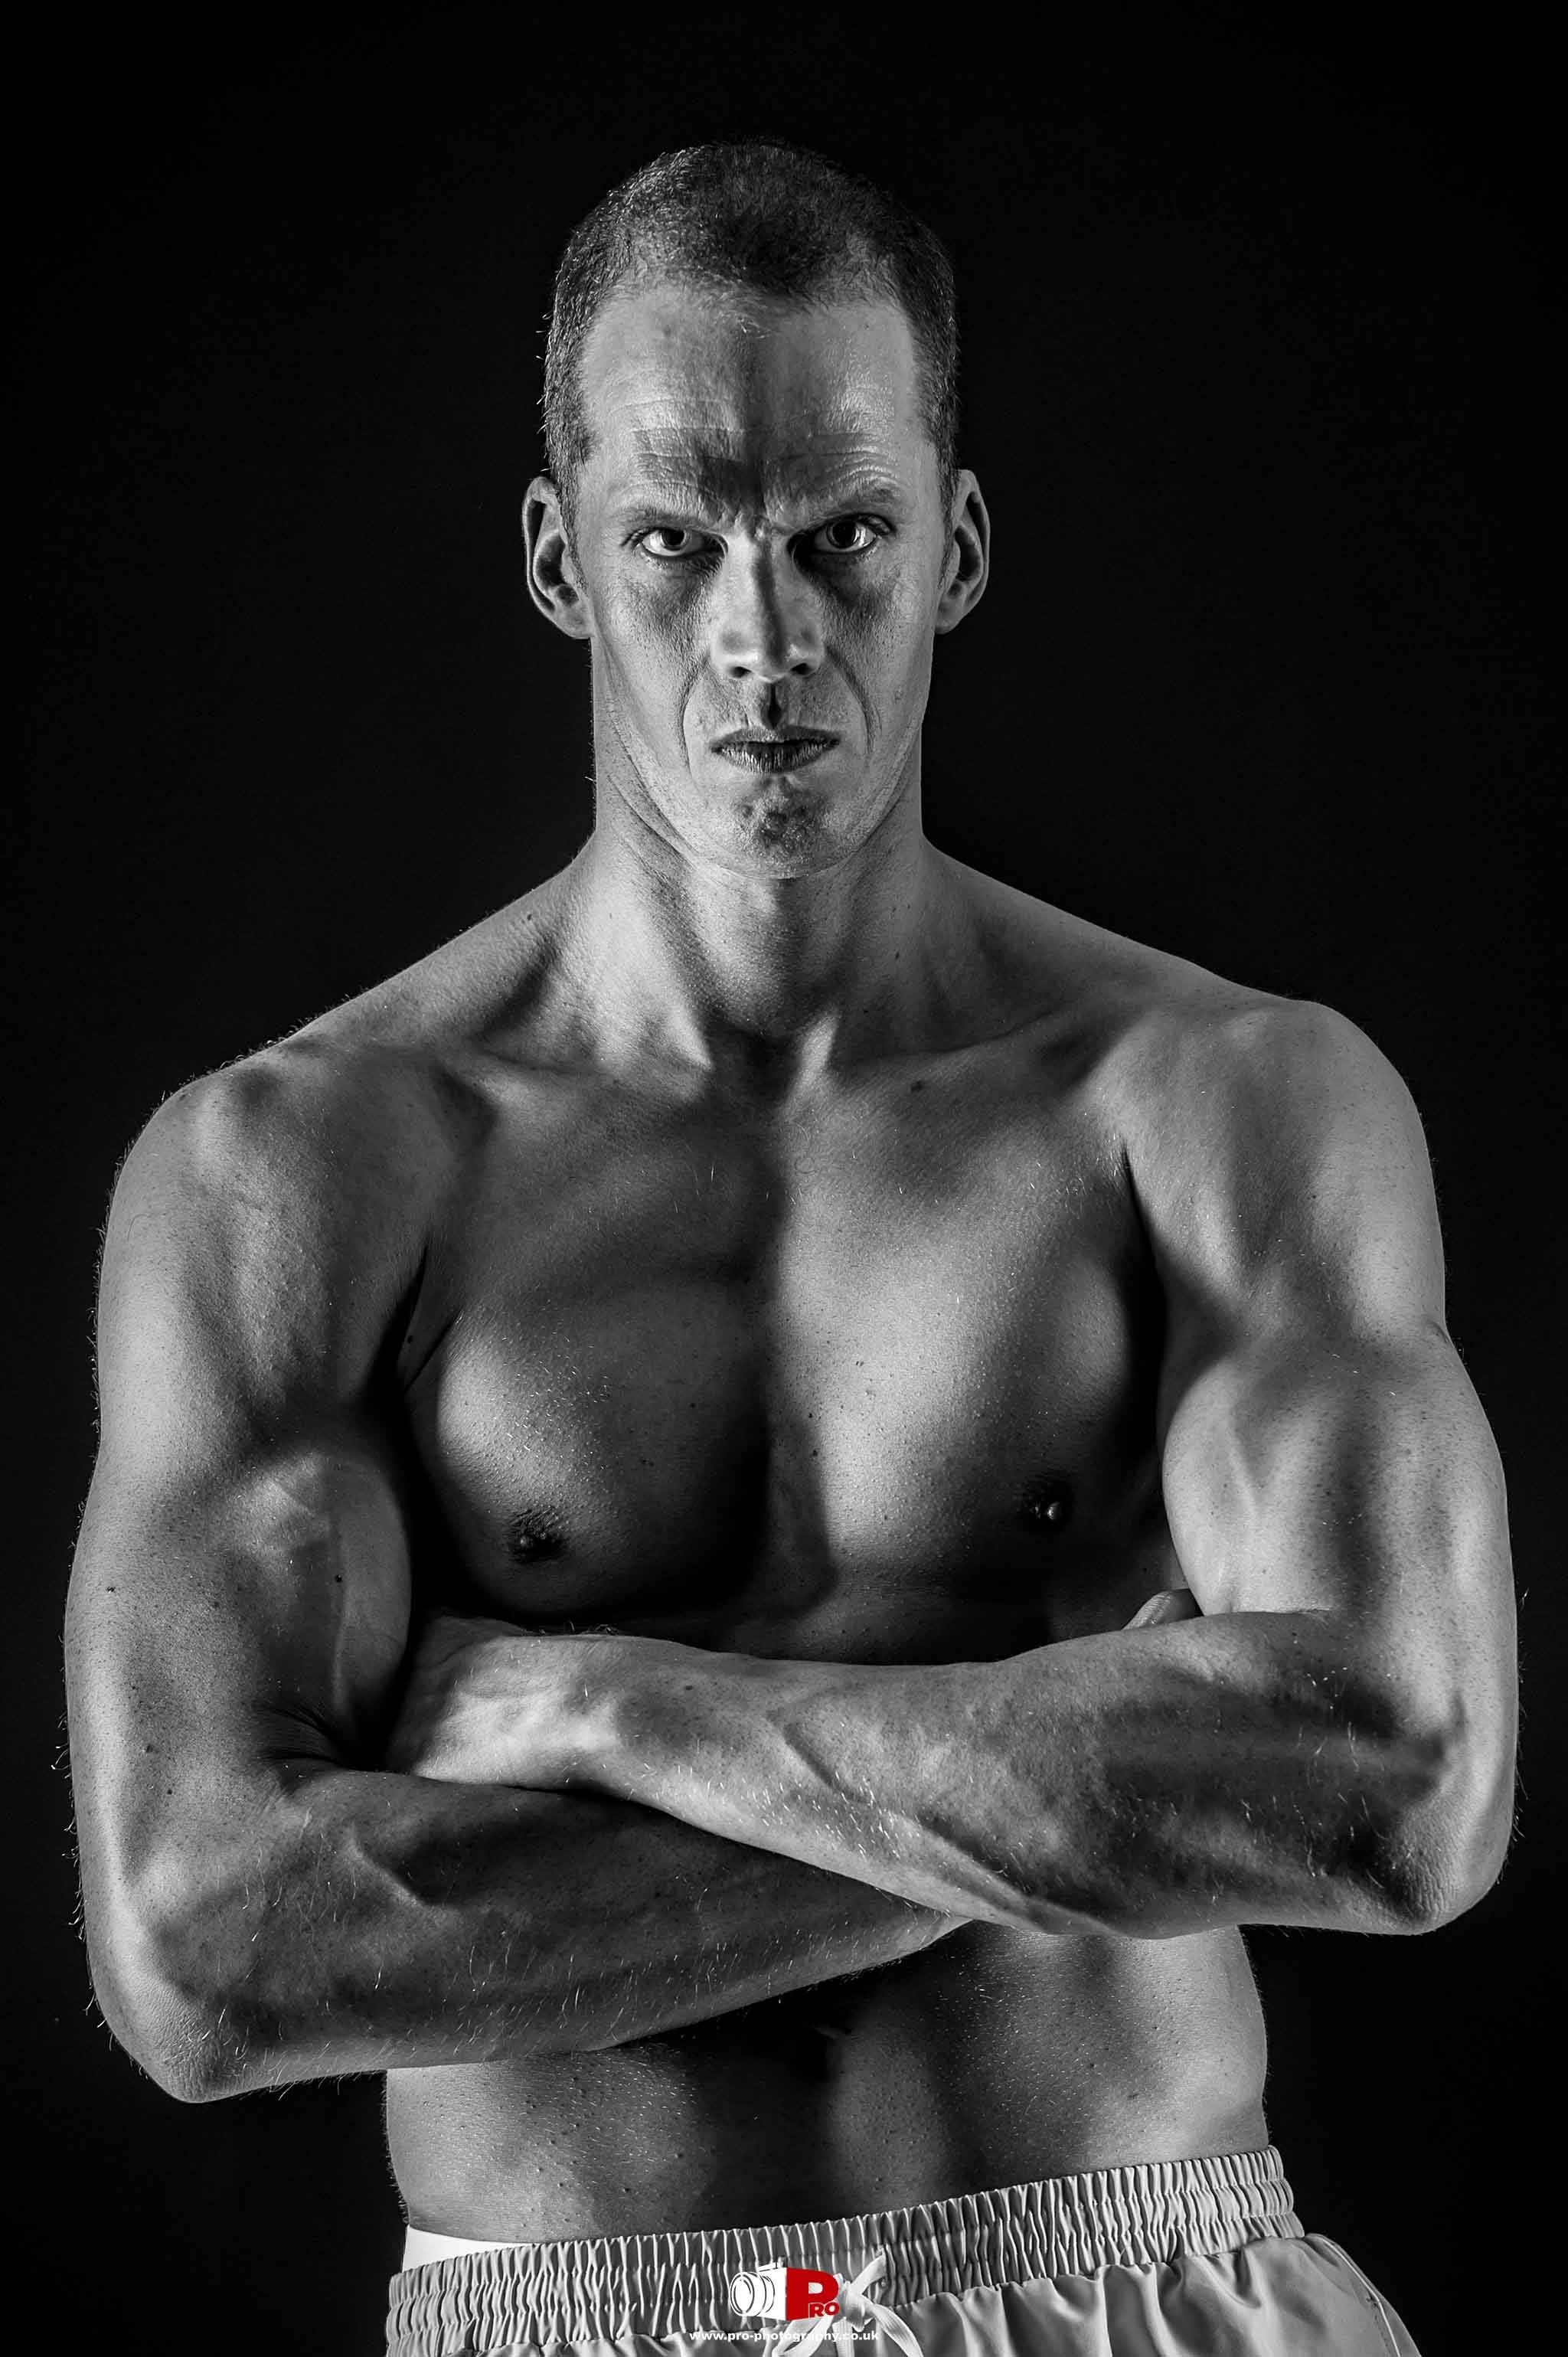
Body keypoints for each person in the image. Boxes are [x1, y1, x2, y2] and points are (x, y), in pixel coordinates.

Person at [65, 140, 1516, 2357]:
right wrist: (1090, 1779)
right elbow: (211, 1954)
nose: (765, 636)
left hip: (1139, 2291)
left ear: (957, 547)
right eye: (678, 541)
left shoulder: (1220, 1107)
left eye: (845, 538)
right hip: (564, 2316)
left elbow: (1404, 1788)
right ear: (563, 559)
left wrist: (614, 1706)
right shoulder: (297, 1174)